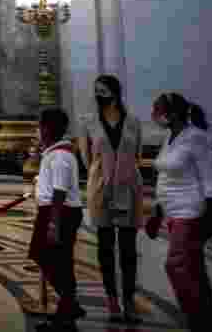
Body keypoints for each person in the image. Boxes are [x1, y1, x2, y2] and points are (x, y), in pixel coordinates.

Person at [146, 93, 212, 332]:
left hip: (190, 212)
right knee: (194, 270)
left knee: (176, 266)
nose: (154, 115)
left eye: (157, 110)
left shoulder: (196, 138)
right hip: (172, 212)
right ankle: (209, 320)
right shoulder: (170, 136)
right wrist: (157, 212)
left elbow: (209, 179)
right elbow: (166, 176)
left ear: (173, 113)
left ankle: (196, 319)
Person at [79, 75, 143, 323]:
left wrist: (123, 172)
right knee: (105, 247)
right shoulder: (88, 123)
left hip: (128, 188)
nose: (99, 95)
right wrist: (102, 175)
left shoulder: (134, 122)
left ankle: (128, 299)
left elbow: (136, 153)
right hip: (101, 189)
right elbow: (86, 159)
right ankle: (112, 299)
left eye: (103, 90)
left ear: (115, 91)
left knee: (127, 248)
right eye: (97, 91)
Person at [29, 107, 84, 331]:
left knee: (50, 258)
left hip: (59, 212)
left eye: (40, 126)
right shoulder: (55, 152)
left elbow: (60, 191)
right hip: (55, 210)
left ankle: (68, 305)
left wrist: (54, 222)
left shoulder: (61, 156)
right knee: (55, 260)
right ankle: (67, 308)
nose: (38, 130)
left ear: (48, 128)